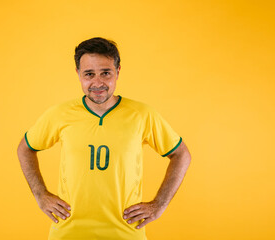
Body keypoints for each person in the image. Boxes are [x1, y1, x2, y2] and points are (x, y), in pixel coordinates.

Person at [17, 37, 191, 240]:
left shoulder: (142, 114)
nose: (97, 83)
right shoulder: (59, 114)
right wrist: (41, 195)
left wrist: (159, 204)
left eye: (105, 73)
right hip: (68, 233)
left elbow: (181, 154)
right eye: (89, 74)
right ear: (78, 75)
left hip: (125, 233)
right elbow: (25, 148)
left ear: (117, 72)